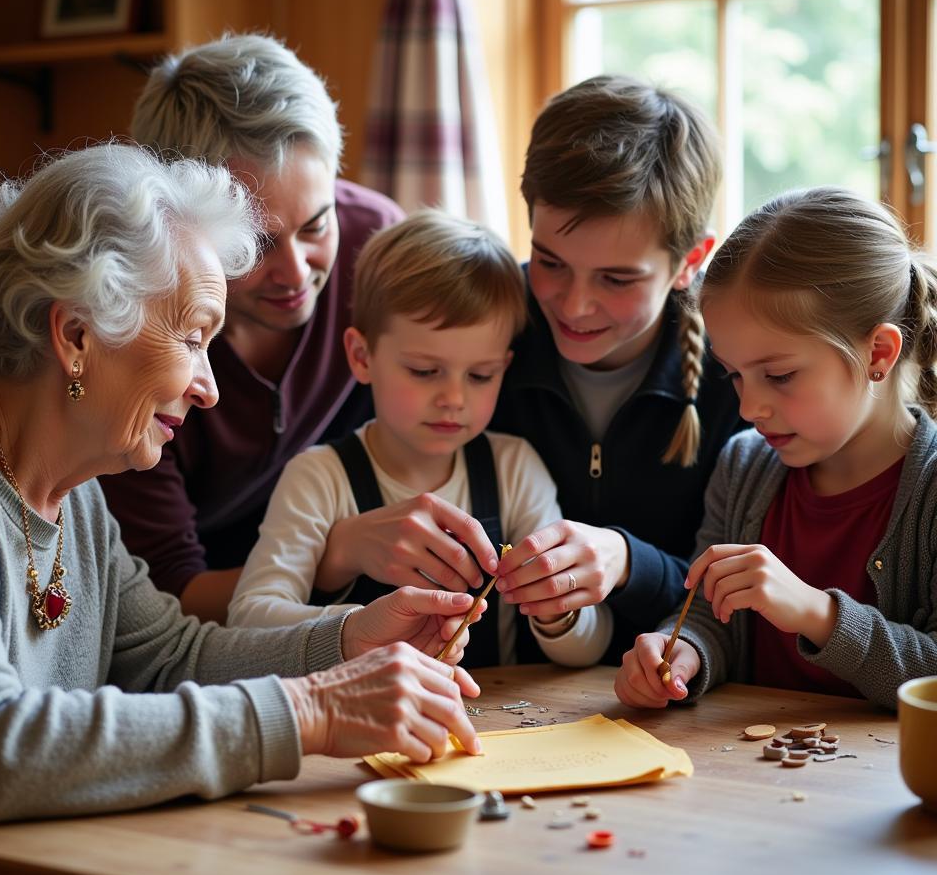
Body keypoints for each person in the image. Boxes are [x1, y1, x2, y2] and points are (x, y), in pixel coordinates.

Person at [0, 145, 483, 875]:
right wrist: (312, 711)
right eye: (192, 337)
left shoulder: (71, 490)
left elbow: (170, 657)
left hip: (53, 870)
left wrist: (352, 642)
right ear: (76, 335)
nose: (210, 387)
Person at [98, 33, 405, 624]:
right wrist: (330, 555)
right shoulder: (130, 341)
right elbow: (168, 598)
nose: (296, 271)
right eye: (255, 243)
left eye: (317, 226)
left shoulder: (377, 247)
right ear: (175, 224)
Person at [227, 210, 614, 669]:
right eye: (425, 371)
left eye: (480, 375)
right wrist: (367, 625)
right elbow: (248, 623)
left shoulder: (514, 467)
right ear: (362, 356)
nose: (453, 398)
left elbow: (590, 648)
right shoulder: (319, 477)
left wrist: (558, 613)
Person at [614, 187, 937, 712]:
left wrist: (818, 613)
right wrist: (682, 650)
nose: (749, 408)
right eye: (735, 375)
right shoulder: (745, 465)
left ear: (877, 352)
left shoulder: (929, 487)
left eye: (780, 375)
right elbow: (707, 613)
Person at [478, 75, 744, 662]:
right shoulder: (479, 332)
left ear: (689, 262)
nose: (573, 306)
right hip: (499, 692)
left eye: (617, 279)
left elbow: (741, 596)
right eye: (549, 262)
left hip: (681, 696)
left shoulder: (743, 375)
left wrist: (630, 562)